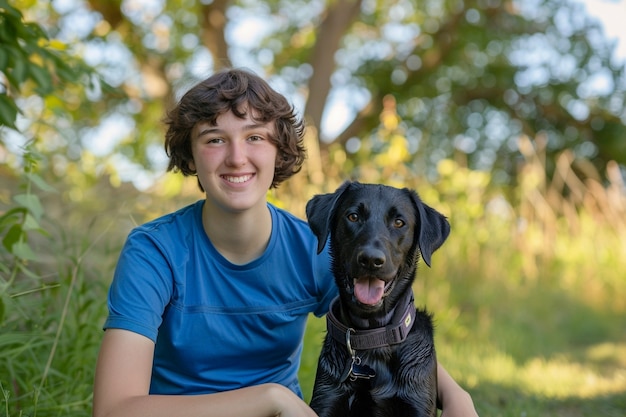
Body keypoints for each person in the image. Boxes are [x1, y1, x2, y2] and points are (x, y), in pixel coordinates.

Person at [92, 68, 478, 417]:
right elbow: (114, 409)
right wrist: (270, 398)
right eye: (214, 139)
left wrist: (457, 396)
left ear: (279, 152)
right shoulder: (154, 252)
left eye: (255, 137)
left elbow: (384, 327)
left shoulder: (312, 247)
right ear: (190, 156)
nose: (236, 157)